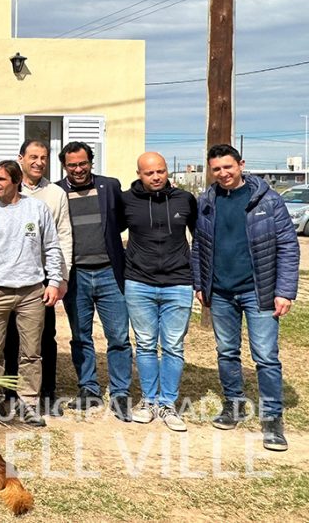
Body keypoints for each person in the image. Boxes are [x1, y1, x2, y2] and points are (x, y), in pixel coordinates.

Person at [192, 144, 299, 451]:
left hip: (259, 291)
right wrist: (200, 283)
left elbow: (289, 247)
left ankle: (272, 418)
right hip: (221, 291)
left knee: (265, 356)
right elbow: (199, 245)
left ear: (241, 164)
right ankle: (234, 404)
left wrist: (284, 291)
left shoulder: (268, 200)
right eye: (216, 169)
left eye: (228, 166)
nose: (223, 173)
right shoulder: (207, 201)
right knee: (226, 351)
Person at [0, 160, 63, 428]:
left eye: (1, 180)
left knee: (31, 352)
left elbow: (52, 247)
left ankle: (29, 402)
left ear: (16, 180)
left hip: (32, 291)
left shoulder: (36, 209)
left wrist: (53, 281)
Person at [56, 141, 133, 422]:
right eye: (72, 165)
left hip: (110, 273)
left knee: (119, 337)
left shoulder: (110, 186)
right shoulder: (57, 192)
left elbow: (122, 221)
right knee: (80, 336)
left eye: (83, 163)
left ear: (91, 161)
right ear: (64, 166)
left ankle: (121, 392)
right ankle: (88, 389)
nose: (78, 169)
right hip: (75, 275)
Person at [121, 152, 197, 431]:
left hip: (178, 283)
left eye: (161, 171)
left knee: (174, 346)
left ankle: (168, 403)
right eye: (150, 173)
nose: (156, 177)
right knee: (145, 344)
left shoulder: (184, 199)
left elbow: (199, 238)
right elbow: (107, 230)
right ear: (139, 174)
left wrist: (197, 278)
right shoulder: (126, 200)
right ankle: (148, 400)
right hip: (139, 283)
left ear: (167, 172)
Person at [3, 139, 72, 415]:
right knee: (9, 336)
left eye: (43, 158)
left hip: (42, 277)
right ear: (21, 158)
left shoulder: (56, 194)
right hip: (9, 275)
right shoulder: (5, 189)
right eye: (33, 157)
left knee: (45, 337)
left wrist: (60, 278)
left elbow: (64, 236)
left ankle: (46, 391)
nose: (38, 162)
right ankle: (8, 390)